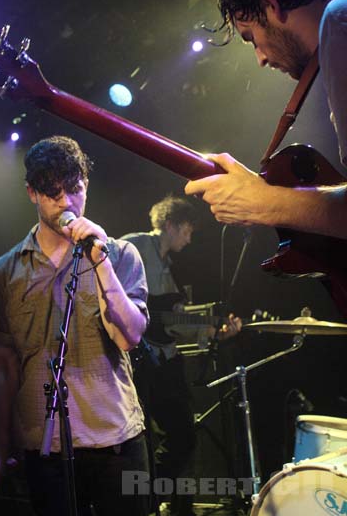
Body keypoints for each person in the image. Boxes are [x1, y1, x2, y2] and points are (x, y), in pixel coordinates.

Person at [0, 136, 150, 516]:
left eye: (74, 189)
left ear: (85, 185)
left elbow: (130, 336)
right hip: (44, 449)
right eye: (52, 192)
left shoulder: (122, 254)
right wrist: (2, 438)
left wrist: (100, 260)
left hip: (116, 442)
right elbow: (4, 362)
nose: (66, 203)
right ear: (32, 193)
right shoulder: (3, 273)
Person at [185, 0, 347, 240]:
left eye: (251, 38)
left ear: (270, 4)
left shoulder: (339, 19)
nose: (260, 58)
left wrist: (262, 202)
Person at [122, 195, 241, 516]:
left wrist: (215, 330)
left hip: (164, 361)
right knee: (146, 437)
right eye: (187, 231)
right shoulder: (132, 246)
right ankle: (143, 500)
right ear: (171, 224)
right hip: (138, 362)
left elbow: (170, 323)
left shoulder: (168, 268)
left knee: (184, 435)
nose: (189, 239)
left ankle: (150, 494)